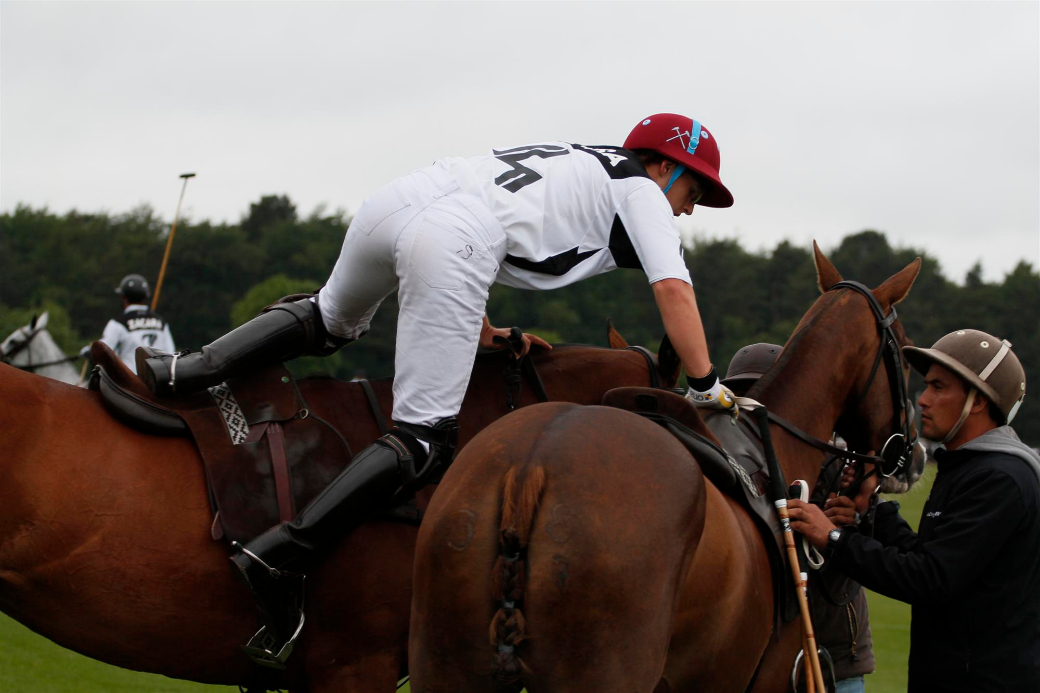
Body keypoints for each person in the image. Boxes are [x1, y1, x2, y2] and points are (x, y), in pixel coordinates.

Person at [136, 113, 738, 615]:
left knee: (328, 319)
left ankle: (179, 373)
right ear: (664, 166)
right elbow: (674, 292)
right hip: (454, 231)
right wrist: (707, 385)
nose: (688, 211)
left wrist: (480, 329)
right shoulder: (642, 188)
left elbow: (481, 226)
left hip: (401, 199)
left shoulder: (583, 162)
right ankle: (277, 555)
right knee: (422, 441)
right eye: (693, 193)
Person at [788, 329, 1039, 692]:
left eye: (939, 387)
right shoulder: (971, 467)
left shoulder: (998, 478)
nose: (922, 400)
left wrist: (830, 538)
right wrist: (869, 512)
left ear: (979, 400)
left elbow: (929, 578)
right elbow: (932, 556)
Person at [722, 344, 875, 692]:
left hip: (834, 655)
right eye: (746, 397)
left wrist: (856, 514)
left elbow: (900, 475)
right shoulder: (725, 468)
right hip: (751, 663)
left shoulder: (841, 468)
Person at [93, 274, 175, 374]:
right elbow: (170, 352)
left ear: (124, 297)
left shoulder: (118, 322)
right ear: (145, 297)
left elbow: (103, 350)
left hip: (130, 382)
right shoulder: (161, 321)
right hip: (158, 381)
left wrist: (89, 351)